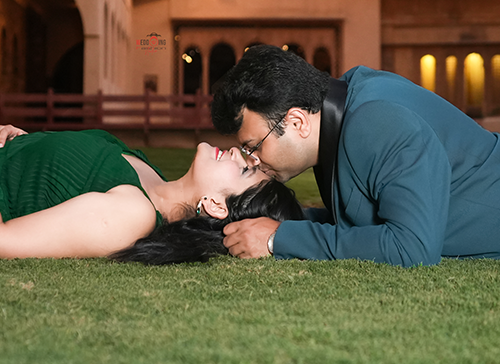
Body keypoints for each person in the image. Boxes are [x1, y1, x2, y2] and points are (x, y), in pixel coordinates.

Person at [211, 45, 500, 267]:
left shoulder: (375, 121)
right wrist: (277, 222)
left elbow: (411, 247)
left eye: (254, 146)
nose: (253, 160)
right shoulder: (343, 104)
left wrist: (277, 239)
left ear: (297, 122)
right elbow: (366, 217)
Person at [0, 125, 303, 264]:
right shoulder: (151, 176)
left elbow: (5, 241)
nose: (238, 153)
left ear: (216, 206)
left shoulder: (133, 215)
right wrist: (23, 143)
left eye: (245, 171)